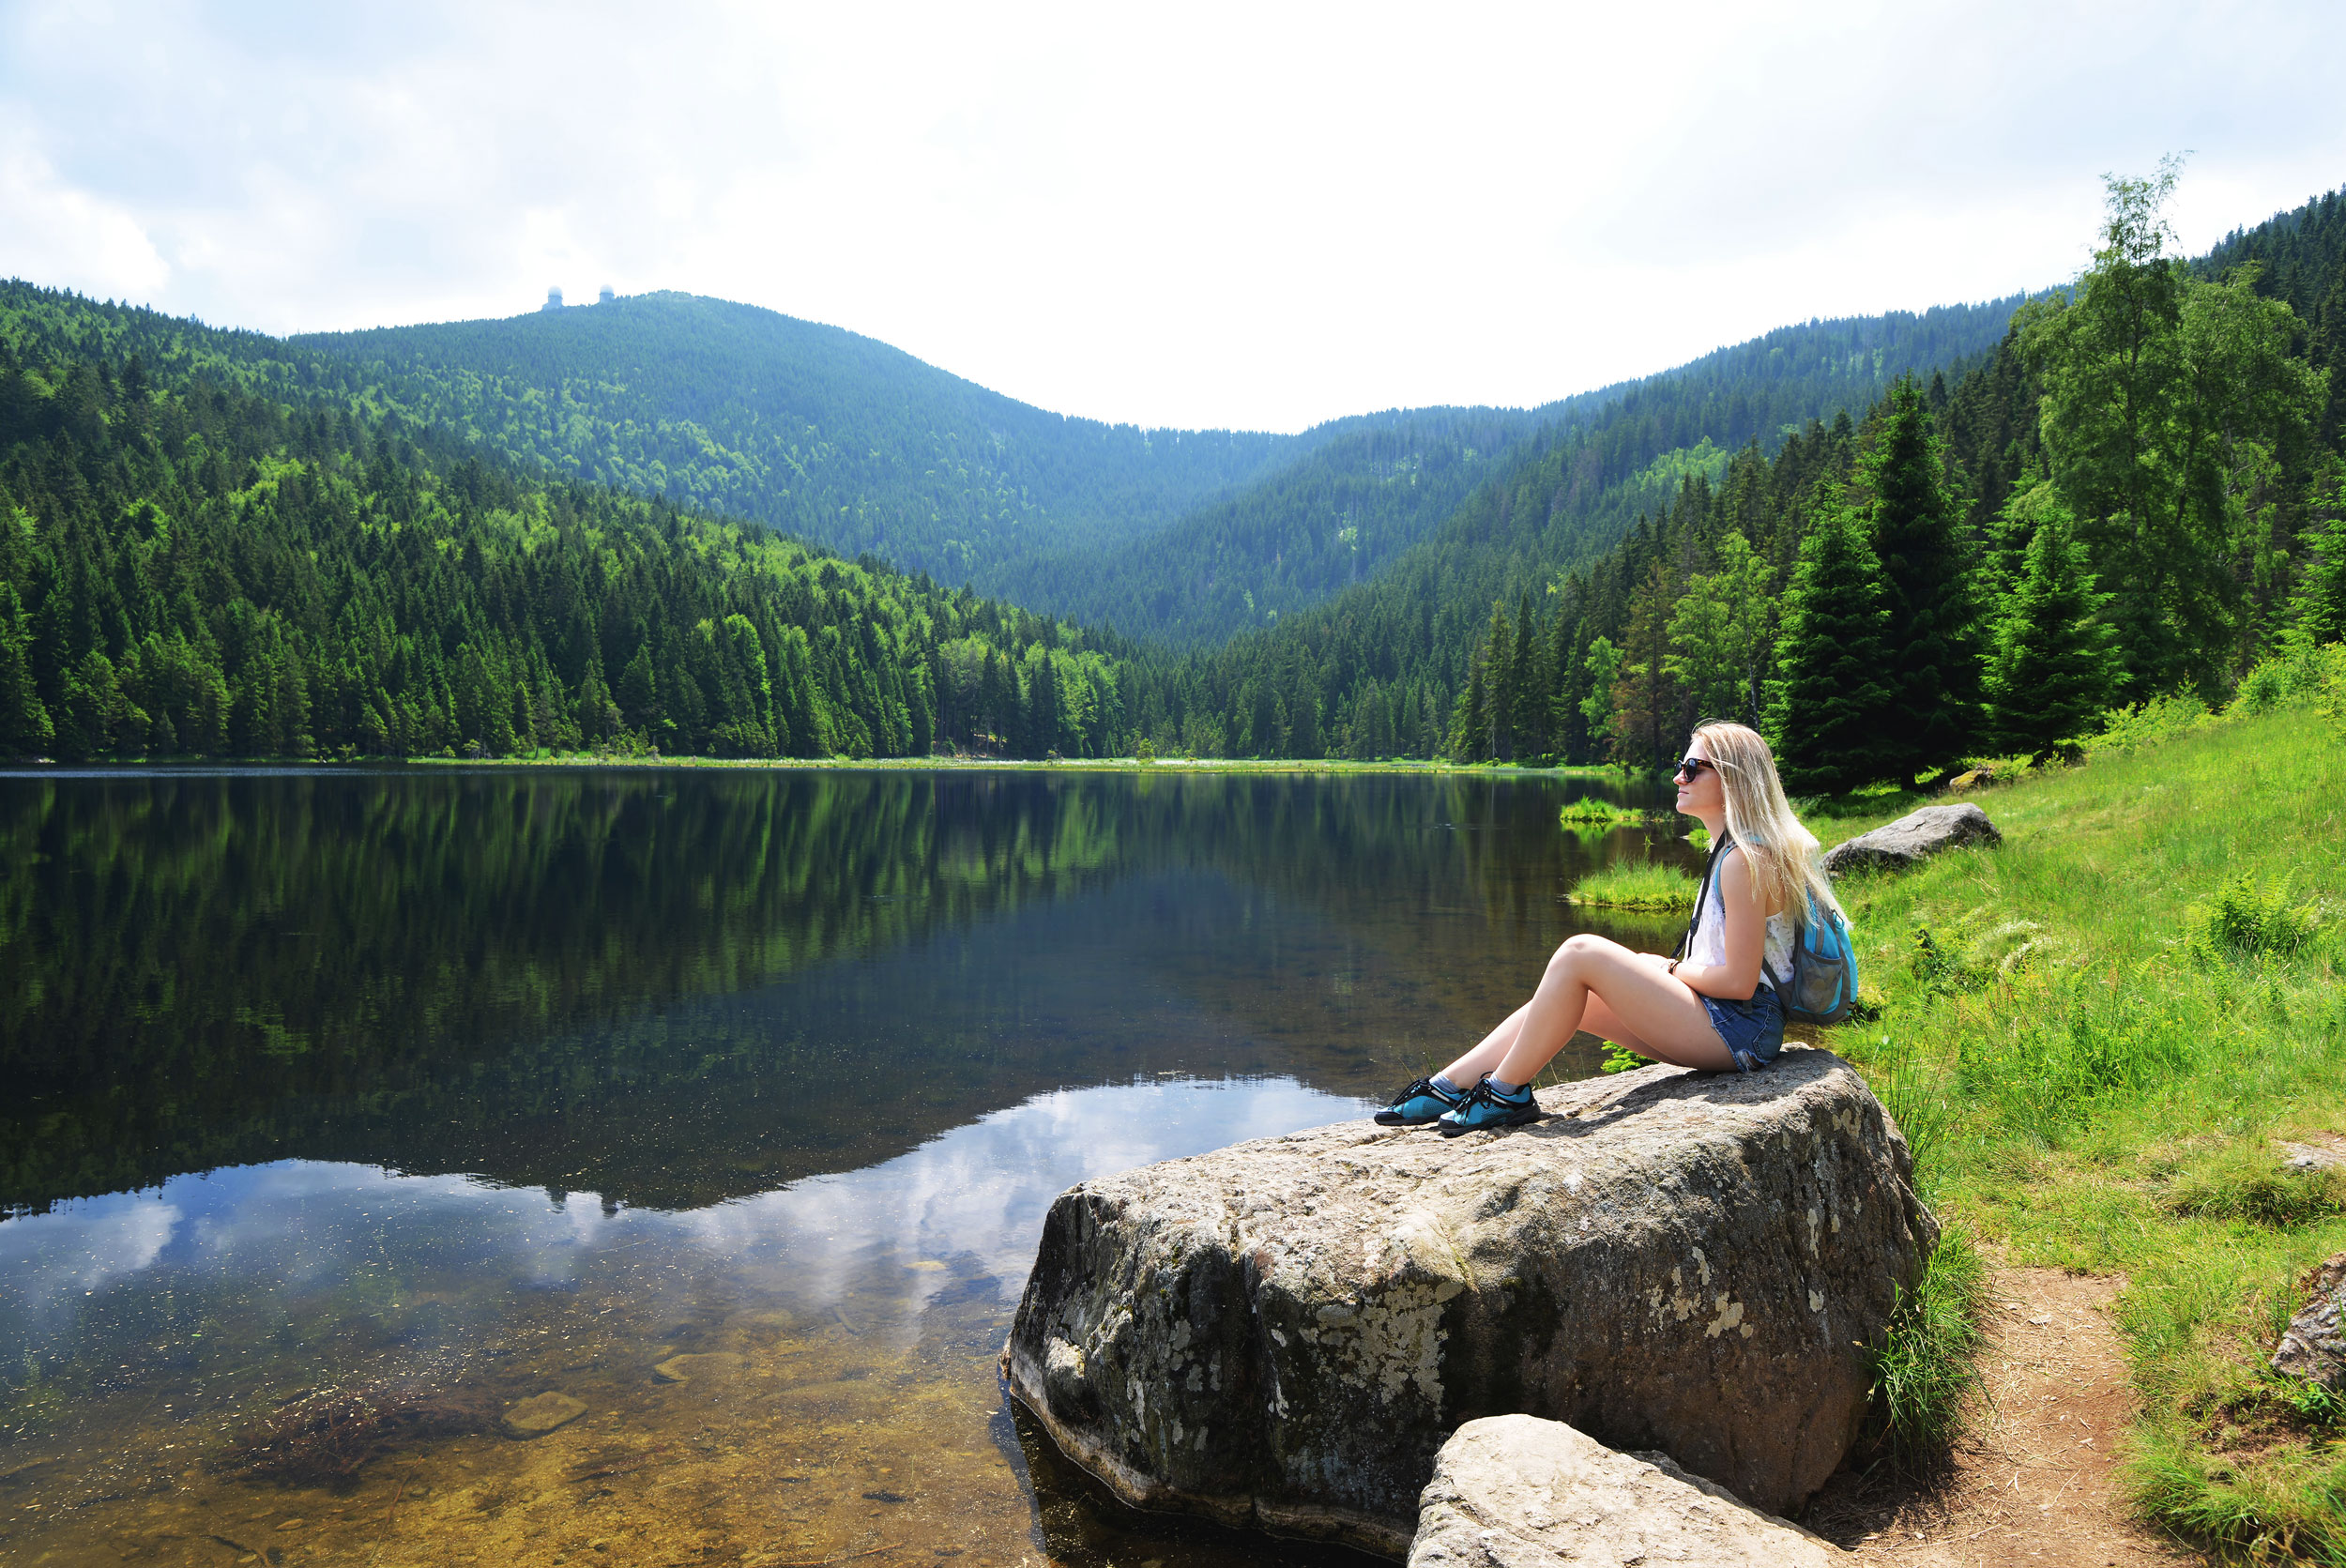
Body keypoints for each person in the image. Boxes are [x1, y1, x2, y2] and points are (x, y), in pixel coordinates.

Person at [1374, 721, 1842, 1135]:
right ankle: (1451, 1085)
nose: (1678, 776)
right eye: (1681, 765)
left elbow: (1739, 984)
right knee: (1573, 996)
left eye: (1693, 768)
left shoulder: (1744, 860)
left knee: (1581, 951)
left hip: (1741, 1029)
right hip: (1724, 1018)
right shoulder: (1733, 850)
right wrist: (1661, 969)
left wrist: (1671, 970)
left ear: (1732, 781)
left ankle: (1504, 1093)